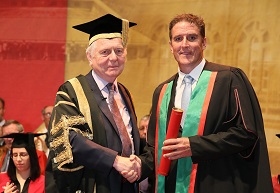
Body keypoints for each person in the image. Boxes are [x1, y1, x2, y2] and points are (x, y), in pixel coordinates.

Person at [138, 13, 273, 193]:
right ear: (171, 46)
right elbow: (154, 146)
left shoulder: (229, 79)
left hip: (216, 182)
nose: (184, 44)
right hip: (171, 185)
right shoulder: (163, 91)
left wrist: (194, 146)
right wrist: (136, 165)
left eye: (192, 38)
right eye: (178, 39)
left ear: (204, 42)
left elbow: (247, 133)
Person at [45, 14, 141, 193]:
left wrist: (139, 163)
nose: (114, 58)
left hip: (127, 185)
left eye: (119, 51)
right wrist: (116, 160)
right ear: (90, 57)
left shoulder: (125, 93)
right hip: (93, 184)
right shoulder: (72, 90)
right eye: (105, 52)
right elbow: (70, 139)